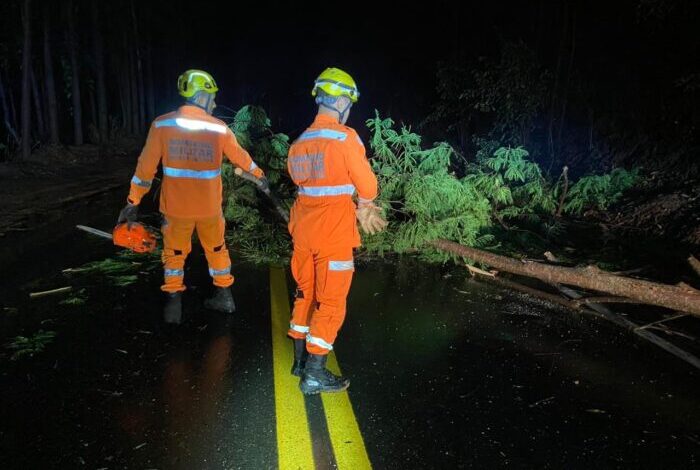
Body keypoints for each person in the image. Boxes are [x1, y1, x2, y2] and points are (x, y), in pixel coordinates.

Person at [117, 69, 267, 324]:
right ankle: (225, 296)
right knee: (217, 249)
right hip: (209, 208)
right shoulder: (219, 129)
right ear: (200, 95)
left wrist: (133, 202)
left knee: (174, 254)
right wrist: (260, 177)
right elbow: (241, 158)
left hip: (176, 210)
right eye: (212, 96)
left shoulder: (162, 125)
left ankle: (173, 305)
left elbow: (145, 168)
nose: (215, 102)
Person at [286, 67, 388, 394]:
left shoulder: (299, 143)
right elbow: (367, 184)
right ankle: (314, 373)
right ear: (342, 100)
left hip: (303, 234)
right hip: (333, 237)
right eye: (350, 103)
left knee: (305, 293)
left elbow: (302, 183)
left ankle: (299, 360)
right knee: (331, 304)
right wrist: (366, 205)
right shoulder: (345, 139)